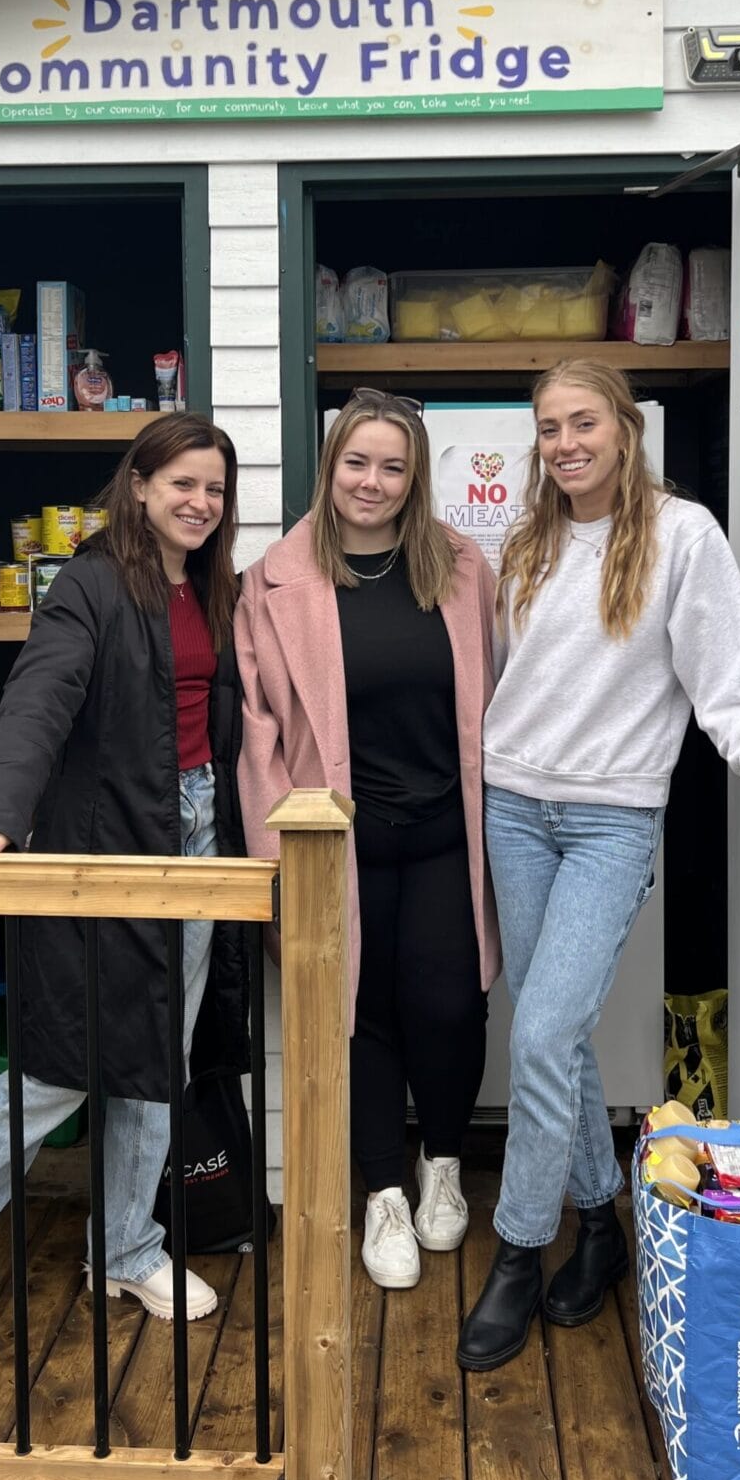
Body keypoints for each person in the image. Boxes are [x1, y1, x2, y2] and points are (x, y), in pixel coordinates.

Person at [456, 359, 740, 1372]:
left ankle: (522, 1252)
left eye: (583, 423)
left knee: (540, 1033)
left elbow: (723, 670)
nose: (566, 443)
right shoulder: (524, 540)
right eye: (548, 429)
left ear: (623, 427)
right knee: (547, 1035)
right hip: (514, 810)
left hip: (612, 822)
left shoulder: (680, 534)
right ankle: (603, 1224)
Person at [0, 413, 248, 1369]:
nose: (198, 502)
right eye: (181, 484)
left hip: (197, 841)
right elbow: (40, 694)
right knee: (57, 1075)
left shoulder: (213, 582)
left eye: (213, 488)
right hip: (104, 850)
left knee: (159, 1060)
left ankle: (125, 1246)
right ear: (140, 486)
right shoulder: (89, 583)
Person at [236, 389, 500, 1290]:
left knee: (451, 1004)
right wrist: (280, 870)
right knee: (359, 1013)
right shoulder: (273, 583)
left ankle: (446, 1163)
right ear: (331, 467)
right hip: (336, 845)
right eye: (358, 462)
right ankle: (382, 1189)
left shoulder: (462, 569)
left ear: (416, 475)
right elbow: (259, 733)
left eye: (393, 466)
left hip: (443, 836)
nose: (373, 482)